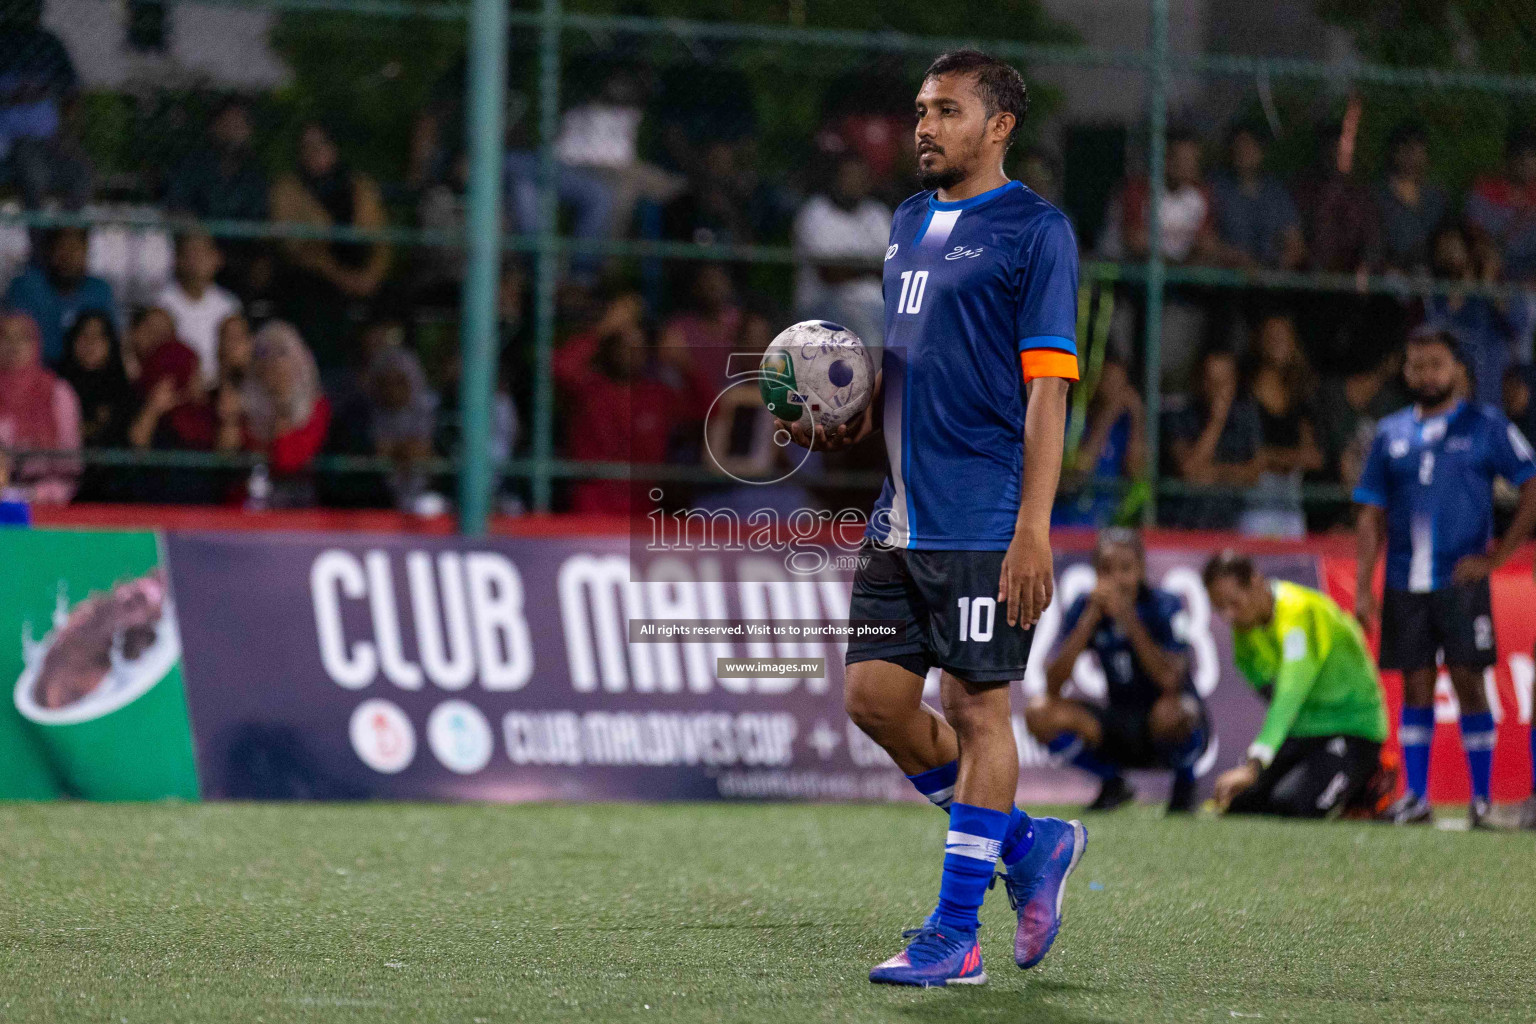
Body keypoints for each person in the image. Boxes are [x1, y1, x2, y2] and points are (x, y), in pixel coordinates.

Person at [779, 50, 1084, 988]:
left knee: (975, 709)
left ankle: (957, 933)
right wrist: (858, 406)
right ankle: (1030, 845)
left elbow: (1047, 394)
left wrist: (1033, 525)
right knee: (873, 700)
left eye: (947, 110)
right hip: (898, 515)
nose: (923, 126)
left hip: (984, 517)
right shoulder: (907, 220)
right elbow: (916, 356)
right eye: (920, 108)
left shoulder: (1037, 231)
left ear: (999, 127)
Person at [1354, 330, 1536, 827]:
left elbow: (1531, 483)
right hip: (1402, 581)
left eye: (1435, 364)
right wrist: (1363, 585)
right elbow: (1369, 513)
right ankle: (1417, 797)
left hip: (1461, 581)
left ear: (1457, 368)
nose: (1425, 375)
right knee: (1414, 685)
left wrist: (1497, 558)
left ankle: (1479, 800)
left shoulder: (1486, 425)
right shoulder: (1390, 432)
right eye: (1416, 366)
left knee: (1468, 682)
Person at [1029, 529, 1208, 812]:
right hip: (1119, 720)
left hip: (1169, 721)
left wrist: (1128, 617)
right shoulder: (1085, 607)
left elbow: (1170, 680)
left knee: (1173, 712)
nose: (1116, 579)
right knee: (1039, 713)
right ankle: (1113, 783)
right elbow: (1052, 685)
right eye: (1106, 570)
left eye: (1126, 568)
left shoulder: (1165, 605)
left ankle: (1184, 786)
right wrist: (1088, 621)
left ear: (1141, 570)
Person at [1203, 552, 1390, 818]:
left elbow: (1289, 694)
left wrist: (1254, 765)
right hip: (1303, 730)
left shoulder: (1298, 612)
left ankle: (1370, 781)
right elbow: (1270, 694)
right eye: (1219, 607)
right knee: (1239, 803)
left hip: (1352, 728)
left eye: (1234, 602)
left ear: (1256, 583)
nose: (1229, 615)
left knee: (1295, 806)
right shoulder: (1244, 631)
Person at [269, 123, 391, 370]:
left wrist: (371, 277)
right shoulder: (287, 189)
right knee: (312, 299)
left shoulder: (358, 185)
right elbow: (296, 249)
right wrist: (341, 276)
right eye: (308, 147)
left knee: (394, 298)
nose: (316, 152)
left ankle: (380, 372)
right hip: (315, 273)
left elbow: (382, 241)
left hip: (359, 271)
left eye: (322, 144)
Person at [791, 153, 893, 351]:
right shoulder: (815, 212)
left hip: (877, 306)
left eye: (859, 177)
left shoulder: (877, 213)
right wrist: (871, 266)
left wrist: (852, 265)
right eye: (848, 176)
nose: (853, 182)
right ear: (835, 179)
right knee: (865, 330)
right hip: (825, 305)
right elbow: (830, 273)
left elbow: (892, 269)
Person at [0, 0, 92, 209]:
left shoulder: (49, 44)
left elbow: (72, 93)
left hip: (49, 140)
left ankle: (63, 235)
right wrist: (13, 98)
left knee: (81, 174)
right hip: (10, 142)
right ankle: (39, 238)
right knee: (33, 174)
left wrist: (67, 133)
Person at [1242, 313, 1323, 538]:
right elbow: (1245, 457)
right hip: (1251, 505)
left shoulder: (1302, 395)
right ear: (1259, 341)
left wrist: (1271, 458)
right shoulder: (1244, 394)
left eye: (1283, 336)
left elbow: (1313, 457)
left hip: (1290, 505)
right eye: (1272, 336)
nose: (1278, 342)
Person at [1165, 349, 1263, 530]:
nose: (1217, 389)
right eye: (1211, 381)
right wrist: (1216, 421)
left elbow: (1253, 474)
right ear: (1199, 381)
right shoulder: (1178, 416)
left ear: (1234, 383)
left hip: (1228, 528)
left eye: (1223, 382)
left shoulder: (1245, 418)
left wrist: (1211, 473)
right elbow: (1190, 472)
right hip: (1183, 526)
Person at [241, 321, 331, 506]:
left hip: (296, 501)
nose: (272, 363)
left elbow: (288, 460)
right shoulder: (242, 403)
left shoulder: (316, 405)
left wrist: (282, 403)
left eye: (281, 354)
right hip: (247, 501)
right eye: (264, 353)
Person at [3, 227, 115, 366]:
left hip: (85, 373)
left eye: (75, 248)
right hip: (33, 372)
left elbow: (110, 344)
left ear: (86, 252)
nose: (68, 256)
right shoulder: (26, 287)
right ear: (49, 251)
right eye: (62, 248)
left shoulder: (99, 290)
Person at [0, 310, 78, 504]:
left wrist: (36, 494)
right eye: (5, 337)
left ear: (36, 344)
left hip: (48, 501)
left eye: (23, 338)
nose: (14, 346)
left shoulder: (58, 392)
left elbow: (71, 464)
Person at [1210, 123, 1305, 271]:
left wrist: (1278, 268)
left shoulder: (1276, 193)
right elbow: (1206, 239)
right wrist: (1239, 260)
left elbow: (1294, 241)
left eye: (1250, 146)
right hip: (1228, 275)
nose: (1244, 152)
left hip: (1270, 276)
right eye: (1239, 146)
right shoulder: (1216, 188)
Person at [154, 231, 241, 384]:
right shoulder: (161, 304)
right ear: (178, 259)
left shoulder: (229, 305)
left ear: (217, 258)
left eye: (203, 253)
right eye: (191, 253)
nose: (197, 260)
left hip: (221, 386)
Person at [1375, 121, 1448, 276]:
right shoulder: (1378, 196)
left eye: (1418, 150)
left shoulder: (1436, 198)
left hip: (1430, 273)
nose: (1413, 157)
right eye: (1407, 149)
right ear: (1394, 152)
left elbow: (1445, 238)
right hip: (1390, 273)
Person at [1465, 125, 1536, 284]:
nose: (1529, 165)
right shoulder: (1484, 190)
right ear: (1510, 158)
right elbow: (1474, 234)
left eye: (1533, 158)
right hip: (1493, 261)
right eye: (1524, 158)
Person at [58, 311, 133, 456]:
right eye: (84, 335)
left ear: (110, 343)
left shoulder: (122, 388)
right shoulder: (55, 385)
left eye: (99, 336)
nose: (90, 342)